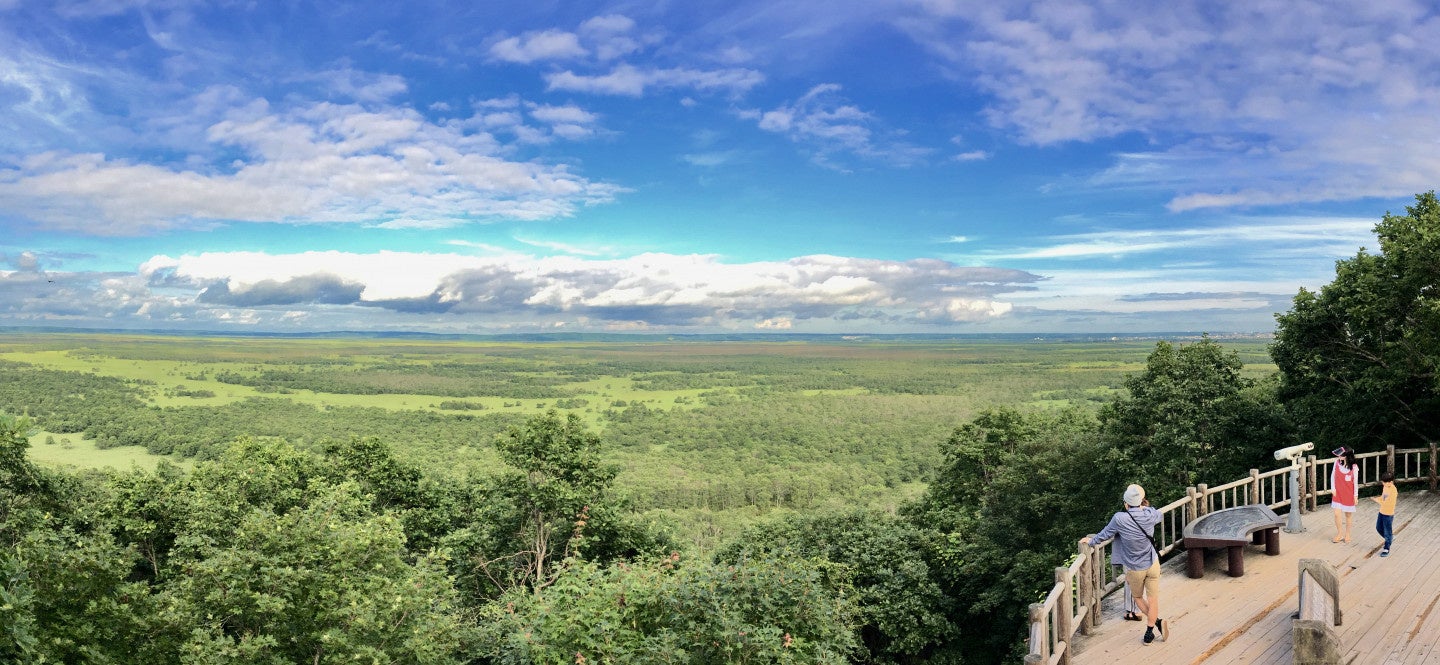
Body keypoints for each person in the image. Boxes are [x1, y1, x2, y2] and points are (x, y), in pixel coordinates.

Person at [1081, 484, 1169, 645]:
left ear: (1126, 503)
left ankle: (1156, 623)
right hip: (1153, 563)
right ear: (1142, 501)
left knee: (1137, 597)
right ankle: (1150, 632)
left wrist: (1091, 541)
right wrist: (1144, 508)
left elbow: (1105, 534)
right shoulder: (1149, 514)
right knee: (1153, 599)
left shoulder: (1120, 518)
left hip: (1135, 568)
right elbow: (1159, 514)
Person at [1331, 447, 1359, 543]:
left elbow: (1355, 482)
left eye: (1342, 455)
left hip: (1348, 494)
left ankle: (1347, 534)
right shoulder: (1337, 463)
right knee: (1336, 514)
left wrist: (1355, 496)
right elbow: (1332, 476)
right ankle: (1339, 533)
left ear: (1347, 456)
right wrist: (1333, 488)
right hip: (1337, 493)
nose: (1339, 456)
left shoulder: (1354, 467)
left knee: (1348, 515)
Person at [1372, 471, 1397, 557]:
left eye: (1384, 482)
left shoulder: (1393, 491)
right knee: (1378, 528)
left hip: (1388, 514)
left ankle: (1387, 547)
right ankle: (1390, 538)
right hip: (1382, 512)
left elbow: (1387, 503)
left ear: (1391, 482)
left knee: (1387, 531)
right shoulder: (1385, 487)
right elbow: (1383, 497)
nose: (1383, 483)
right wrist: (1377, 498)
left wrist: (1377, 501)